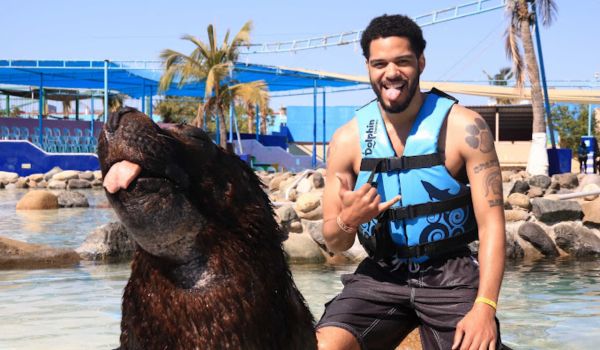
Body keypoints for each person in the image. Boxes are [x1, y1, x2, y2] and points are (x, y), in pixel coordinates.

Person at [317, 14, 506, 350]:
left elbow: (492, 226)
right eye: (380, 64)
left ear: (420, 62)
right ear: (369, 68)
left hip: (451, 274)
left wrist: (485, 307)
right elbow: (335, 242)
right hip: (381, 274)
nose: (391, 73)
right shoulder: (347, 140)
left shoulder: (466, 128)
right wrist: (349, 220)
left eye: (403, 61)